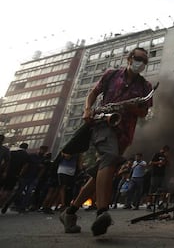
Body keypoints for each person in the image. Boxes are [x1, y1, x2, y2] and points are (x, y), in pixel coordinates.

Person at [60, 47, 153, 236]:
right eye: (138, 59)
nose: (140, 63)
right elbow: (93, 93)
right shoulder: (111, 75)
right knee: (109, 158)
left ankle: (69, 213)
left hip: (125, 134)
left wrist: (132, 108)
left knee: (102, 174)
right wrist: (87, 109)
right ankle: (102, 212)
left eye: (145, 61)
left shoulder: (146, 87)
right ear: (129, 58)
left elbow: (143, 113)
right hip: (103, 123)